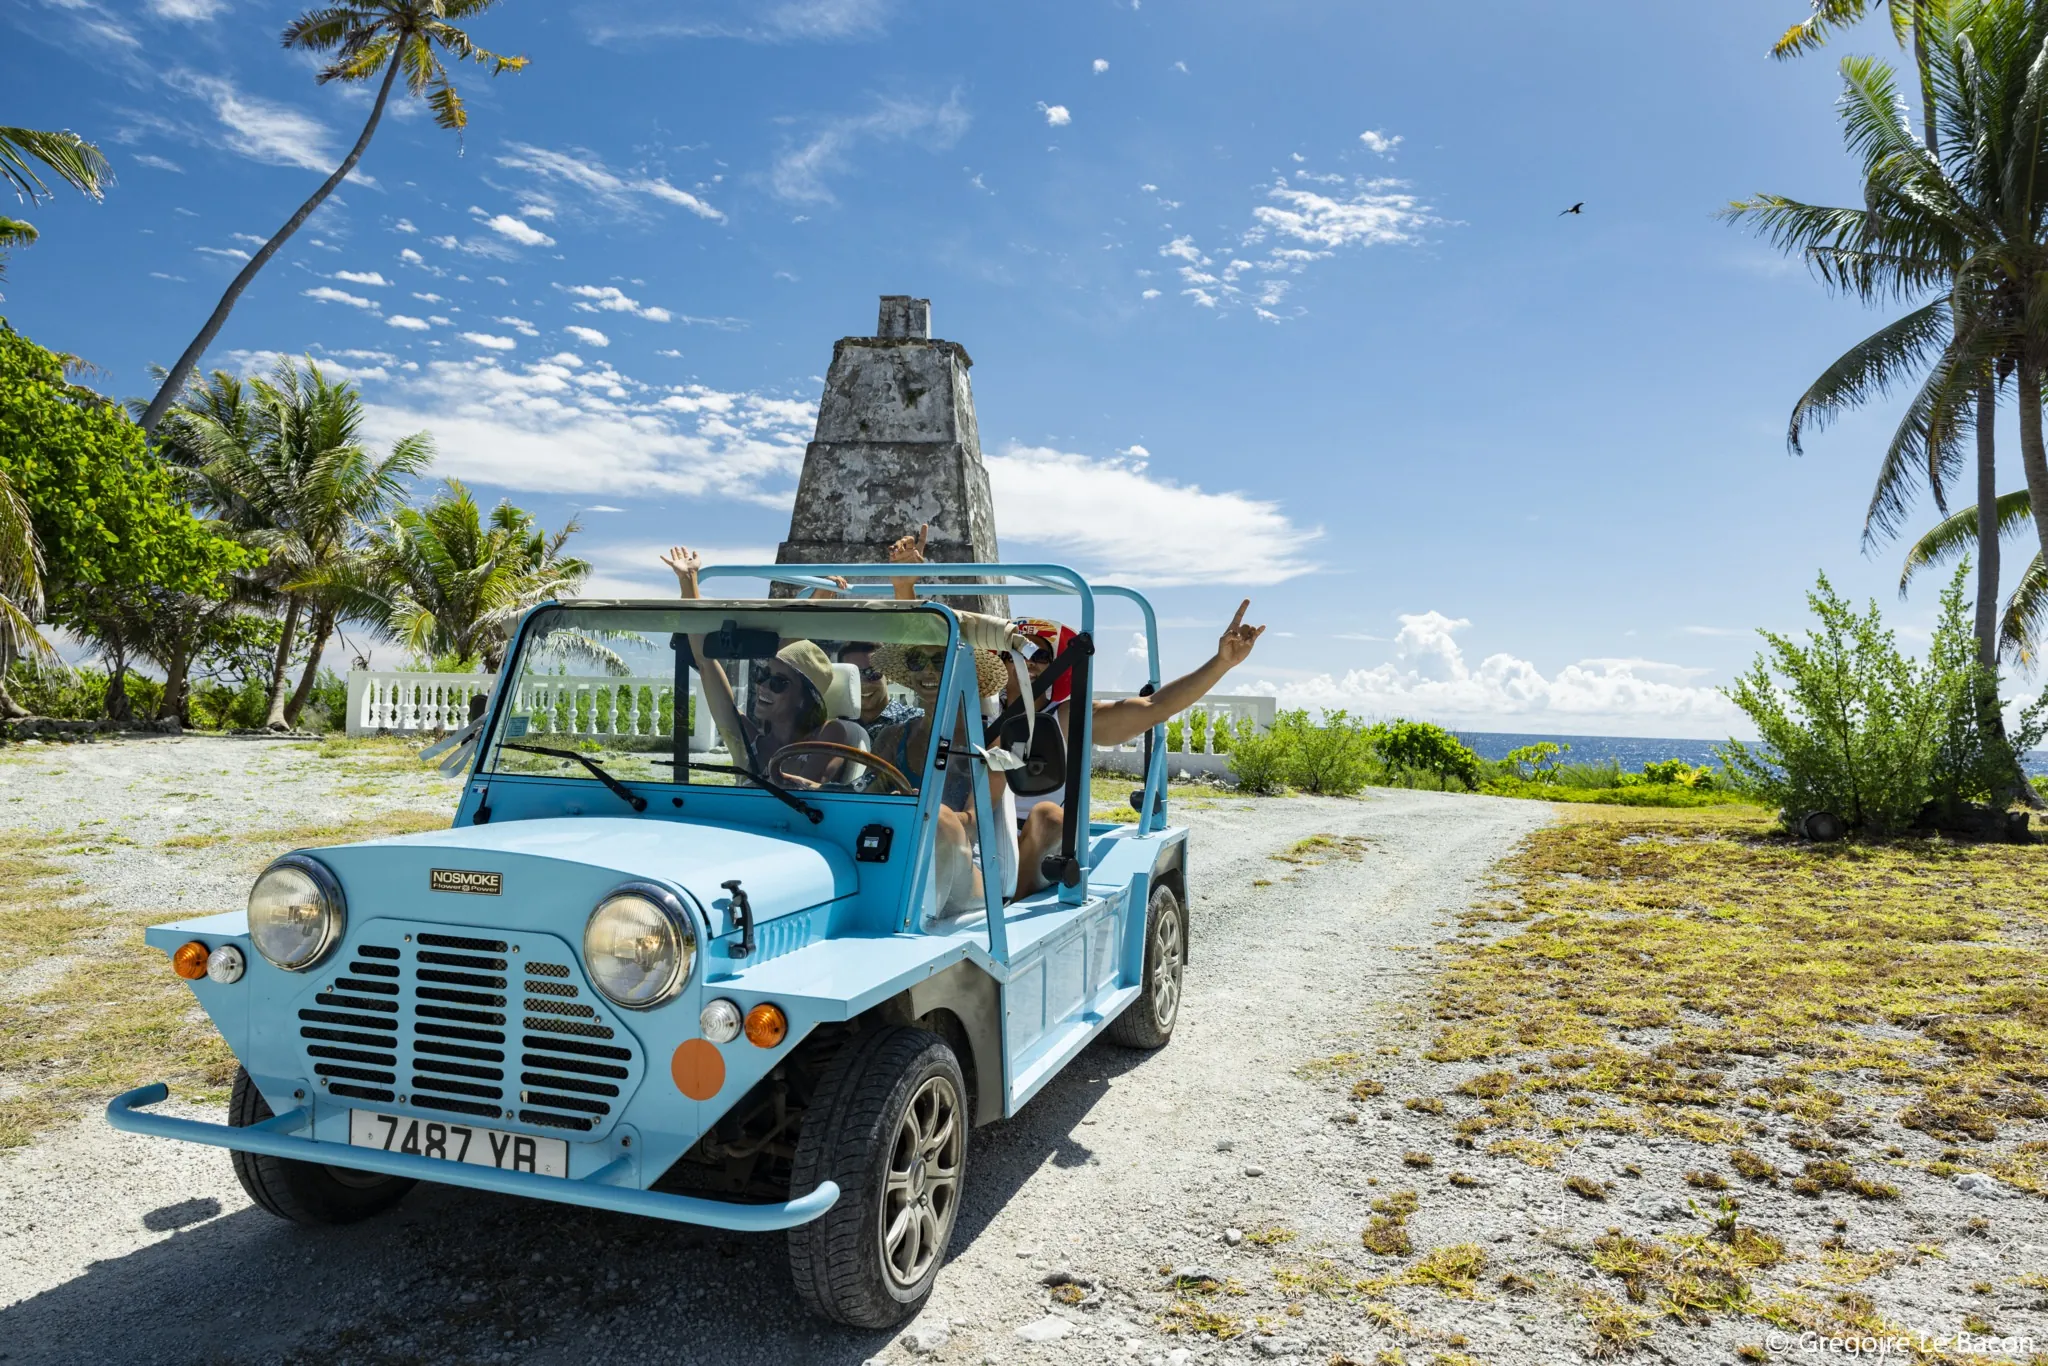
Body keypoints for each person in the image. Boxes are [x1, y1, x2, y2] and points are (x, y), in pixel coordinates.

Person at [885, 529, 1266, 897]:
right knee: (935, 816)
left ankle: (1010, 902)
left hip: (1043, 842)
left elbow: (1155, 708)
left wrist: (1221, 663)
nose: (1029, 662)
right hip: (981, 831)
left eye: (1040, 655)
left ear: (1056, 666)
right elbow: (924, 663)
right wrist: (905, 588)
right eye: (1018, 651)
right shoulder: (977, 712)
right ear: (1001, 660)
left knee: (1047, 815)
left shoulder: (1065, 718)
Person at [659, 545, 864, 784]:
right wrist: (688, 581)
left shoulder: (832, 732)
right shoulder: (749, 740)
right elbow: (705, 662)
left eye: (778, 683)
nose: (763, 686)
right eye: (762, 675)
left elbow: (803, 792)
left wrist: (818, 598)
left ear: (804, 699)